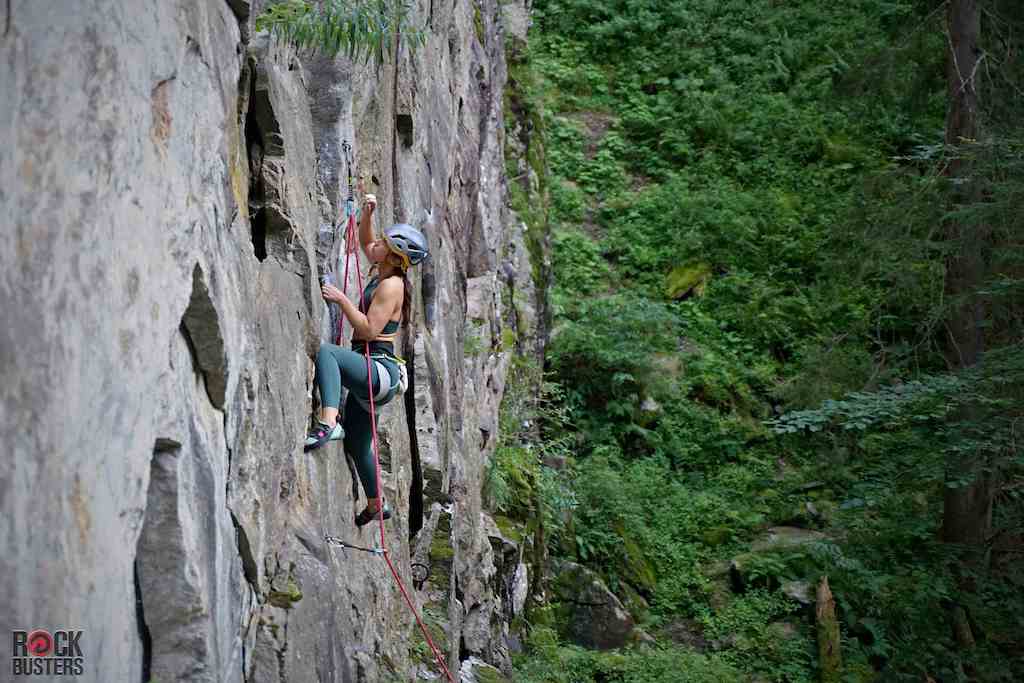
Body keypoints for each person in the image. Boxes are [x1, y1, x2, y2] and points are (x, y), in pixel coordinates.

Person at [304, 195, 429, 527]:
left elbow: (369, 330)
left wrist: (341, 299)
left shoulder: (392, 286)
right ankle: (376, 505)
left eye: (385, 243)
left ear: (396, 255)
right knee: (359, 444)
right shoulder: (385, 271)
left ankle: (328, 423)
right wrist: (368, 214)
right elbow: (366, 244)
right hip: (375, 373)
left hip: (379, 368)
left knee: (329, 353)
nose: (378, 245)